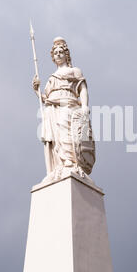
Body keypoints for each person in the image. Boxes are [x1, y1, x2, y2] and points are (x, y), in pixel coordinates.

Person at [32, 37, 95, 183]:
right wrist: (36, 90)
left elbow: (82, 89)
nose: (58, 54)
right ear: (53, 57)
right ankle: (60, 165)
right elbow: (45, 97)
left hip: (69, 105)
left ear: (66, 54)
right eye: (56, 53)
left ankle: (71, 163)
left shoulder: (75, 71)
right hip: (52, 108)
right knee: (56, 139)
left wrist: (85, 106)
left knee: (67, 132)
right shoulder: (51, 77)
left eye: (61, 52)